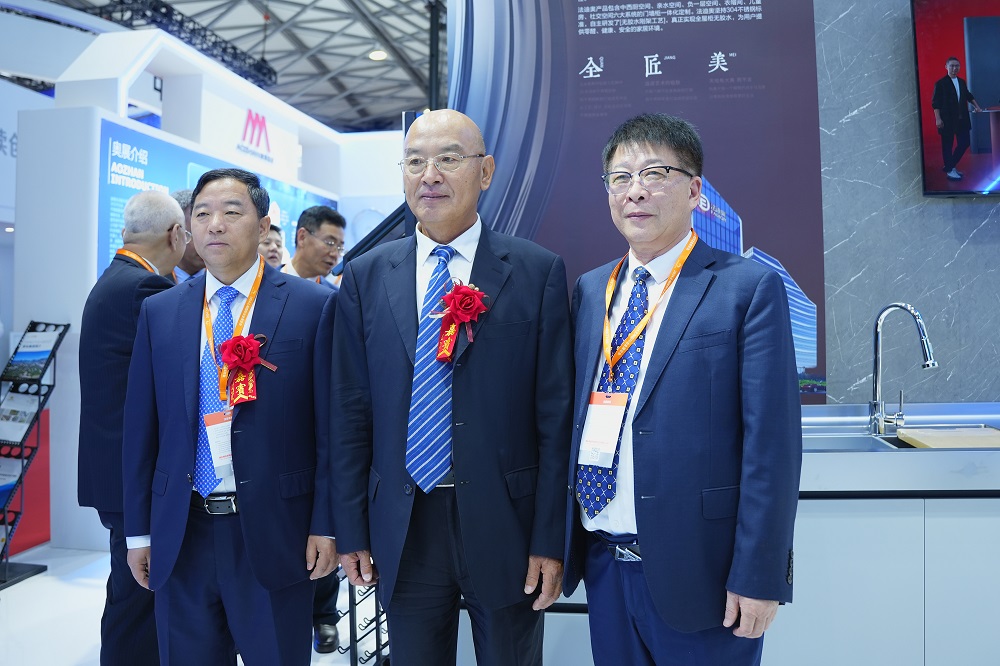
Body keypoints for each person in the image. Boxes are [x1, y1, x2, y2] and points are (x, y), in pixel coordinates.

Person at [331, 109, 573, 666]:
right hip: (404, 520)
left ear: (485, 171)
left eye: (448, 159)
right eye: (415, 161)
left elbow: (554, 416)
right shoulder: (367, 275)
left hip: (505, 521)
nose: (430, 175)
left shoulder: (535, 271)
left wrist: (549, 538)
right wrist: (351, 528)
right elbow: (350, 410)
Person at [562, 113, 802, 666]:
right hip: (604, 565)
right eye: (620, 177)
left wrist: (760, 575)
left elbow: (772, 447)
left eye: (655, 173)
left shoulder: (746, 288)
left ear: (695, 191)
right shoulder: (592, 290)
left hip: (706, 577)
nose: (635, 190)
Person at [122, 168, 337, 665]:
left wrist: (327, 524)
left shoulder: (313, 306)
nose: (215, 224)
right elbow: (140, 430)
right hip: (183, 531)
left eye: (231, 212)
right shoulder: (160, 311)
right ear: (189, 228)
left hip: (276, 531)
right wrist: (139, 532)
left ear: (262, 226)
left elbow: (333, 428)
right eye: (202, 214)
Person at [78, 190, 188, 665]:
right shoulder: (146, 288)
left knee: (132, 590)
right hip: (132, 474)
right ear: (177, 234)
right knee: (138, 596)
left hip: (114, 470)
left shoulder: (116, 279)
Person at [931, 57, 983, 181]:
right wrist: (938, 119)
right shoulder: (941, 83)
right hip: (947, 120)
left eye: (957, 66)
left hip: (962, 119)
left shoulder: (961, 82)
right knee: (947, 145)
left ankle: (949, 166)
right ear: (946, 67)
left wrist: (977, 107)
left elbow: (968, 96)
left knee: (965, 143)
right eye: (952, 66)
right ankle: (950, 170)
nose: (955, 68)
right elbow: (936, 103)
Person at [283, 205, 346, 288]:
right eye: (330, 243)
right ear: (302, 237)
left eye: (339, 247)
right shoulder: (267, 281)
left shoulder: (333, 294)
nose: (335, 254)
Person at [170, 189, 205, 282]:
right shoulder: (153, 279)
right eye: (197, 235)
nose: (205, 243)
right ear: (174, 235)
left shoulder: (225, 281)